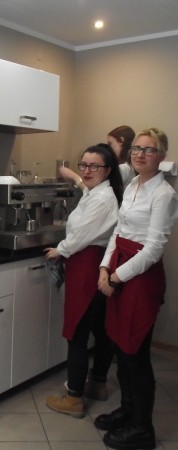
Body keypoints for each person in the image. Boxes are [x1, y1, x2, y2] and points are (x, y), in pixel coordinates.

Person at [95, 128, 178, 450]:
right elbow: (119, 232)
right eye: (137, 149)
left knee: (135, 354)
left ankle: (143, 428)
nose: (141, 154)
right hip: (118, 266)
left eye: (149, 149)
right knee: (119, 345)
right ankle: (128, 410)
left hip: (141, 278)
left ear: (161, 156)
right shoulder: (132, 185)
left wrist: (116, 278)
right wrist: (105, 267)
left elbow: (153, 248)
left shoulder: (164, 194)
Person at [44, 144, 123, 418]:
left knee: (76, 332)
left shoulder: (103, 199)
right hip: (93, 264)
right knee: (100, 329)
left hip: (88, 266)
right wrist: (76, 179)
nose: (87, 171)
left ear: (107, 170)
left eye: (94, 166)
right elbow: (86, 189)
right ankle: (98, 384)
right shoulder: (98, 192)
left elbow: (81, 236)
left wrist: (60, 250)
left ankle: (74, 397)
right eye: (84, 165)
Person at [60, 125, 136, 190]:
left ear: (121, 141)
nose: (108, 148)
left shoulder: (124, 169)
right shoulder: (129, 167)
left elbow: (95, 191)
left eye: (110, 144)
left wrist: (74, 176)